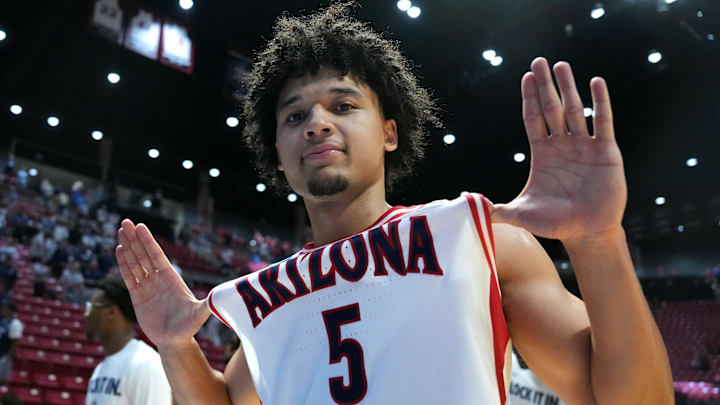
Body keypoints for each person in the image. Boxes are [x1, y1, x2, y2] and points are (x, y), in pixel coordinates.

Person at [114, 3, 673, 404]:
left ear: (389, 132)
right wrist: (173, 345)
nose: (317, 124)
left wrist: (598, 241)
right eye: (294, 116)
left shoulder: (479, 242)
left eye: (343, 103)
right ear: (278, 158)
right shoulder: (271, 295)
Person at [84, 278, 172, 404]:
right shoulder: (100, 369)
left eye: (91, 307)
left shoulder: (146, 364)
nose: (86, 314)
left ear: (111, 313)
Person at [0, 303, 23, 382]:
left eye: (5, 309)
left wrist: (8, 356)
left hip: (5, 355)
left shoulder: (15, 323)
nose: (3, 310)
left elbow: (16, 341)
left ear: (10, 311)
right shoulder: (4, 321)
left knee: (2, 379)